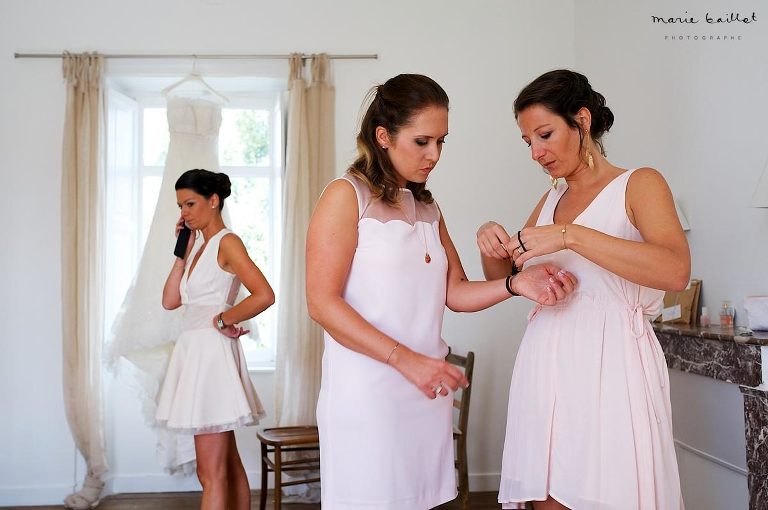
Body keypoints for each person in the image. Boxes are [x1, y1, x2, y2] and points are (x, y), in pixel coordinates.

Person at [306, 74, 577, 510]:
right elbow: (322, 303)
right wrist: (405, 360)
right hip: (368, 395)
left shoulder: (428, 207)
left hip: (425, 390)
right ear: (383, 137)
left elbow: (456, 291)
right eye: (422, 141)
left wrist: (514, 284)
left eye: (442, 142)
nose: (434, 155)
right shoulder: (345, 196)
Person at [477, 70, 690, 510]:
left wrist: (572, 236)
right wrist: (490, 241)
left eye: (545, 134)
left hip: (611, 365)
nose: (537, 153)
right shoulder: (551, 199)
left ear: (582, 121)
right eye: (527, 142)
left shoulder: (639, 183)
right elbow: (505, 275)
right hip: (546, 362)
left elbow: (675, 271)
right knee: (549, 495)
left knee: (612, 492)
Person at [155, 169, 274, 510]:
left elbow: (264, 294)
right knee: (227, 464)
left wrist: (224, 319)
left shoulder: (227, 242)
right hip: (196, 355)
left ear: (213, 200)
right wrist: (181, 252)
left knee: (211, 474)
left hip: (210, 357)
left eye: (190, 203)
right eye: (180, 206)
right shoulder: (197, 248)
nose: (184, 213)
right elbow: (170, 301)